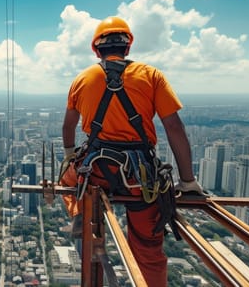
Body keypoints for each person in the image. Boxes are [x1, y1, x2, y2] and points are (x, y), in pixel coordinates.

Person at [59, 16, 205, 286]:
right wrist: (187, 180)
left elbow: (68, 126)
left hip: (97, 171)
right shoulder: (151, 76)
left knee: (68, 179)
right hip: (140, 178)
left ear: (96, 49)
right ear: (127, 48)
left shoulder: (83, 78)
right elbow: (173, 127)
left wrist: (70, 156)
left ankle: (80, 213)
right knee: (148, 247)